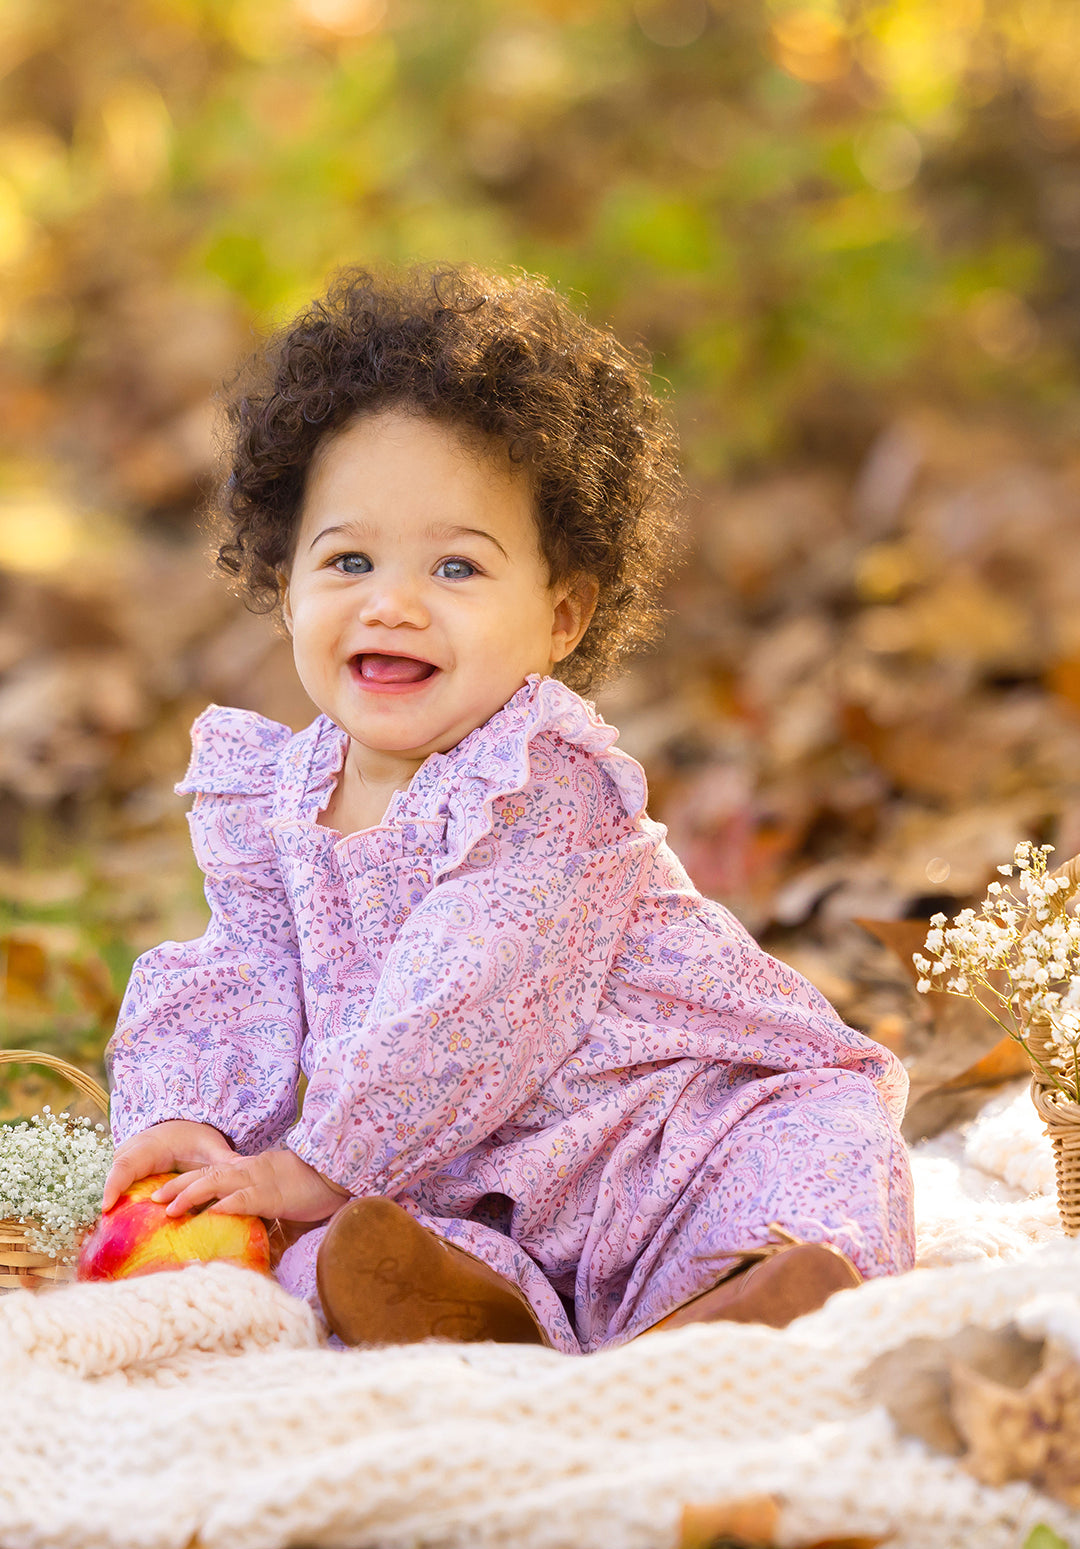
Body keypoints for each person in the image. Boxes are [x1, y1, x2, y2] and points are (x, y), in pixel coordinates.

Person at [102, 264, 914, 1354]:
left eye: (456, 565)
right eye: (348, 558)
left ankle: (750, 1294)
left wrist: (309, 1163)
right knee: (336, 1244)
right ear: (287, 586)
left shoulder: (542, 785)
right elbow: (235, 967)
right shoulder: (276, 792)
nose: (392, 600)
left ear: (562, 616)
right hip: (467, 1181)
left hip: (668, 1142)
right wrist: (186, 1115)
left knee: (818, 1147)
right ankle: (481, 1311)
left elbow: (465, 999)